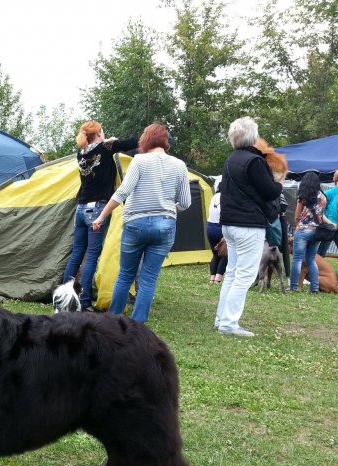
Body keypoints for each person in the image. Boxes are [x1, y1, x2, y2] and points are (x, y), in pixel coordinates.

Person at [91, 123, 191, 323]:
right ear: (165, 142)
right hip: (165, 225)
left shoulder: (139, 161)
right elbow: (186, 202)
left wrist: (101, 216)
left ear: (145, 140)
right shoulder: (179, 165)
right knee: (149, 278)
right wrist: (170, 210)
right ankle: (137, 327)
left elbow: (123, 192)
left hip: (135, 223)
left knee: (125, 275)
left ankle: (113, 322)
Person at [214, 117, 283, 337]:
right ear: (253, 136)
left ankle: (221, 319)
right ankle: (229, 323)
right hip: (248, 225)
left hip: (229, 224)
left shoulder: (230, 159)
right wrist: (279, 180)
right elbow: (270, 191)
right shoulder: (254, 162)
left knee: (233, 272)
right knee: (244, 274)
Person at [61, 121, 137, 311]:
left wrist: (108, 141)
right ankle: (84, 301)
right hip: (97, 209)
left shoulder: (81, 153)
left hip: (80, 209)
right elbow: (134, 142)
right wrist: (113, 140)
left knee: (77, 253)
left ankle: (64, 298)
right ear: (99, 133)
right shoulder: (106, 147)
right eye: (103, 131)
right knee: (92, 256)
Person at [290, 171, 335, 292]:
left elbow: (296, 216)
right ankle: (314, 287)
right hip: (316, 232)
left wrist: (298, 224)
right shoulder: (323, 197)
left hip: (303, 230)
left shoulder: (303, 196)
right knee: (311, 259)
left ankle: (294, 287)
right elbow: (321, 216)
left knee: (297, 259)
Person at [316, 168, 338, 291]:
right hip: (329, 228)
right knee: (320, 254)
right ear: (336, 180)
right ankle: (311, 276)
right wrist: (330, 223)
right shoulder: (329, 193)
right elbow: (320, 212)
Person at [207, 182, 227, 283]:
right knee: (225, 254)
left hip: (210, 227)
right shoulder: (226, 197)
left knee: (215, 254)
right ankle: (218, 279)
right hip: (221, 227)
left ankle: (212, 278)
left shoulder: (214, 196)